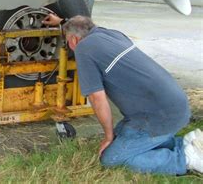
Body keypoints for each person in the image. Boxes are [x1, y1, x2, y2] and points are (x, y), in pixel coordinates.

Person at [43, 14, 203, 175]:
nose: (69, 46)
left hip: (158, 117)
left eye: (68, 41)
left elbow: (97, 98)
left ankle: (186, 159)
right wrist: (63, 22)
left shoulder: (84, 48)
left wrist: (107, 136)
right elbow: (81, 27)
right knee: (121, 137)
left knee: (111, 158)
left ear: (74, 40)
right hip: (175, 105)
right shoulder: (110, 33)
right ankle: (185, 144)